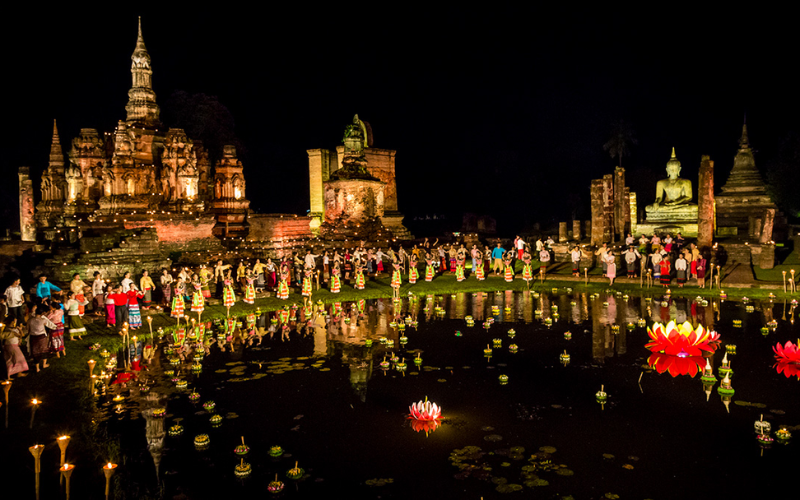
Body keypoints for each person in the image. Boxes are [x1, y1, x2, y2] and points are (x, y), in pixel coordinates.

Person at [28, 305, 57, 372]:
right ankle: (44, 364)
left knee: (35, 351)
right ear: (42, 313)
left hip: (33, 336)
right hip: (41, 336)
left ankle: (37, 368)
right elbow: (50, 325)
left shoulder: (30, 320)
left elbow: (28, 329)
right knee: (44, 350)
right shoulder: (43, 320)